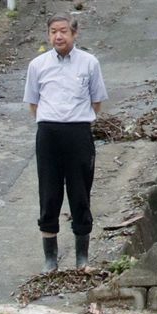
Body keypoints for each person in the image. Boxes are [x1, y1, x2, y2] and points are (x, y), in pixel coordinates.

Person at [25, 14, 107, 271]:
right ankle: (50, 259)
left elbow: (97, 101)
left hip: (78, 132)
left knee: (80, 192)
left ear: (74, 33)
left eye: (63, 31)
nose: (57, 36)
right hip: (48, 133)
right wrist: (51, 121)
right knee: (49, 194)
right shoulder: (37, 65)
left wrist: (76, 120)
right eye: (52, 32)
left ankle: (82, 258)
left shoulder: (89, 63)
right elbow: (33, 103)